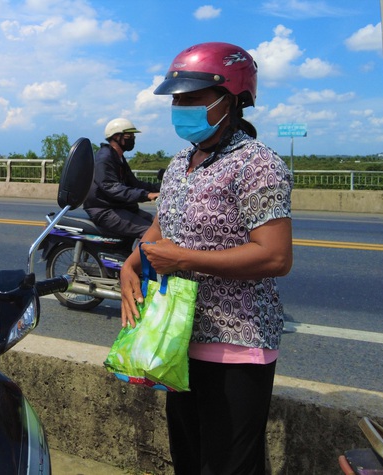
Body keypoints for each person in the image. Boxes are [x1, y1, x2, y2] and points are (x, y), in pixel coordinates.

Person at [119, 42, 293, 475]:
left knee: (229, 466)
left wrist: (183, 260)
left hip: (237, 343)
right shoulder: (181, 163)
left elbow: (274, 256)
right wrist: (131, 263)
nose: (180, 108)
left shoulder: (257, 164)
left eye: (193, 98)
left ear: (230, 99)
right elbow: (161, 229)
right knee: (189, 458)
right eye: (176, 99)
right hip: (179, 337)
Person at [83, 118, 161, 238]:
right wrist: (147, 195)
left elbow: (134, 183)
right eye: (129, 136)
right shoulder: (104, 158)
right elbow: (112, 187)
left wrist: (161, 187)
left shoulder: (118, 157)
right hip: (104, 210)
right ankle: (137, 257)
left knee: (160, 225)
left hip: (120, 207)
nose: (133, 139)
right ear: (116, 137)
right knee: (151, 234)